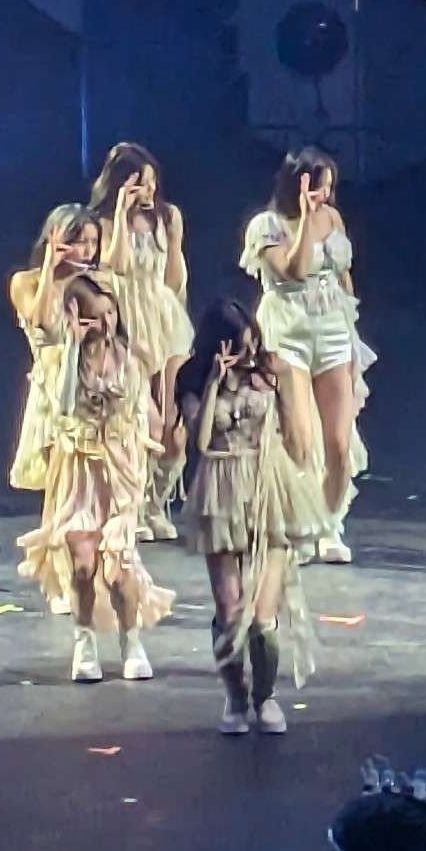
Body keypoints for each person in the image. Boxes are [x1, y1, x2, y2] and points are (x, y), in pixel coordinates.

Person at [178, 300, 325, 735]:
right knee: (229, 608)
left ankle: (265, 697)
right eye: (239, 347)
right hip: (220, 489)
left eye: (252, 344)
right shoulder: (193, 377)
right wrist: (213, 383)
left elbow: (298, 443)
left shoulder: (270, 373)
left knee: (262, 617)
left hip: (267, 488)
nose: (248, 355)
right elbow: (201, 442)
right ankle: (235, 697)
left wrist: (287, 385)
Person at [18, 274, 174, 682]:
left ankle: (131, 641)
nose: (105, 323)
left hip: (117, 472)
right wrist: (72, 346)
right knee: (84, 566)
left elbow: (138, 415)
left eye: (110, 313)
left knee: (119, 569)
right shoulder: (58, 361)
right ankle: (84, 642)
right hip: (78, 472)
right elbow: (66, 406)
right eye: (94, 316)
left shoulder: (129, 359)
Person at [239, 147, 375, 564]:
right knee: (300, 440)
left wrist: (350, 323)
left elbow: (343, 273)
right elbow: (294, 271)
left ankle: (330, 525)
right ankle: (299, 525)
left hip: (332, 332)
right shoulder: (267, 226)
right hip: (288, 335)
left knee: (338, 443)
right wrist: (302, 217)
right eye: (319, 186)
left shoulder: (332, 218)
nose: (325, 195)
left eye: (330, 186)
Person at [91, 142, 193, 540]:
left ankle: (156, 503)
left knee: (171, 422)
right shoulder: (102, 223)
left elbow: (175, 279)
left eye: (152, 183)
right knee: (139, 418)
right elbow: (115, 265)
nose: (149, 192)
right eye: (140, 184)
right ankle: (131, 504)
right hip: (126, 321)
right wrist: (120, 212)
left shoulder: (168, 217)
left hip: (162, 316)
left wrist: (174, 246)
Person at [8, 204, 101, 616]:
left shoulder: (92, 286)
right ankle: (56, 581)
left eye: (93, 242)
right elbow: (41, 320)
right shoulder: (26, 281)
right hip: (50, 396)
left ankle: (80, 576)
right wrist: (50, 267)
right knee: (59, 495)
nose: (88, 250)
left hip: (87, 398)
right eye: (80, 241)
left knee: (82, 497)